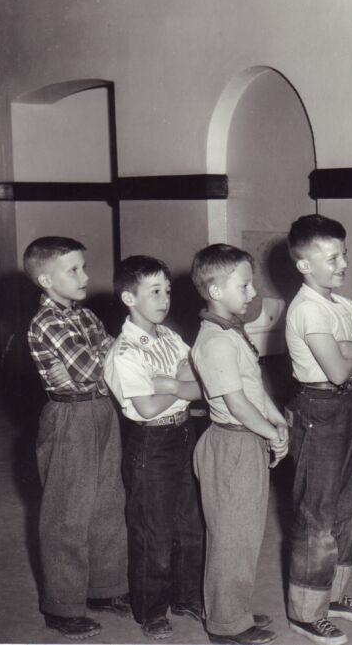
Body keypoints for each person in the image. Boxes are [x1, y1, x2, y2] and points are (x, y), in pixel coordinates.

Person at [23, 236, 130, 639]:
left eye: (84, 267)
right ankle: (62, 605)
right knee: (67, 511)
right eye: (74, 270)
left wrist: (122, 346)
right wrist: (129, 340)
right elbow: (90, 368)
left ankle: (105, 588)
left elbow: (108, 350)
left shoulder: (83, 315)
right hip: (68, 415)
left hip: (102, 410)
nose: (85, 276)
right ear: (46, 279)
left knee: (108, 500)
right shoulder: (46, 321)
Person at [284, 214, 352, 645]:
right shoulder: (306, 308)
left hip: (347, 406)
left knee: (349, 510)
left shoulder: (343, 305)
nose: (343, 263)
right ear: (305, 265)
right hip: (319, 408)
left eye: (343, 253)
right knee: (316, 516)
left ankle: (333, 597)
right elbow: (342, 369)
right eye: (332, 257)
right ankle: (305, 614)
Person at [190, 243, 289, 645]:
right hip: (231, 444)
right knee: (230, 537)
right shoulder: (214, 341)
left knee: (246, 533)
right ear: (215, 291)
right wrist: (271, 432)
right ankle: (225, 624)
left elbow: (252, 387)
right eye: (245, 285)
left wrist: (277, 419)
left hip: (247, 440)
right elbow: (236, 404)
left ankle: (234, 608)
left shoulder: (233, 332)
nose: (252, 293)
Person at [103, 255, 204, 640]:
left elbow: (201, 383)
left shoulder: (171, 337)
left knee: (189, 523)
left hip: (183, 433)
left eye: (167, 290)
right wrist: (182, 384)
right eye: (154, 291)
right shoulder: (125, 351)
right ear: (129, 297)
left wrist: (175, 385)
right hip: (151, 442)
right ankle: (151, 609)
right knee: (152, 529)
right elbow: (144, 407)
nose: (164, 299)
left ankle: (186, 596)